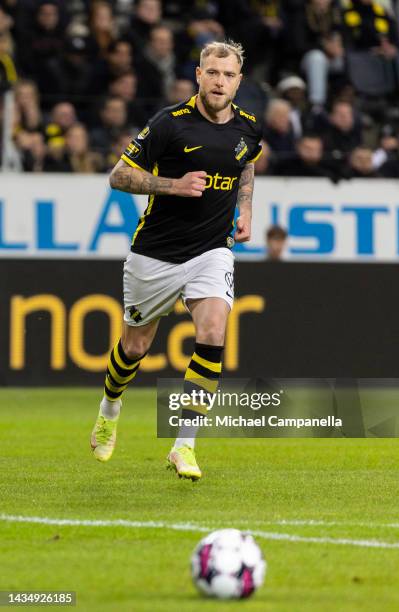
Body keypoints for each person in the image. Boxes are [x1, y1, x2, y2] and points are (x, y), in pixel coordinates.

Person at [90, 40, 262, 480]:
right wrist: (173, 185)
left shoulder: (248, 127)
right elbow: (119, 175)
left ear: (239, 81)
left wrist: (245, 209)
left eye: (228, 75)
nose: (220, 81)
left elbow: (246, 165)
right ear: (198, 76)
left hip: (212, 250)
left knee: (213, 333)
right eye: (213, 72)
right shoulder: (170, 124)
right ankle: (110, 406)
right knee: (135, 347)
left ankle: (184, 445)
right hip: (156, 254)